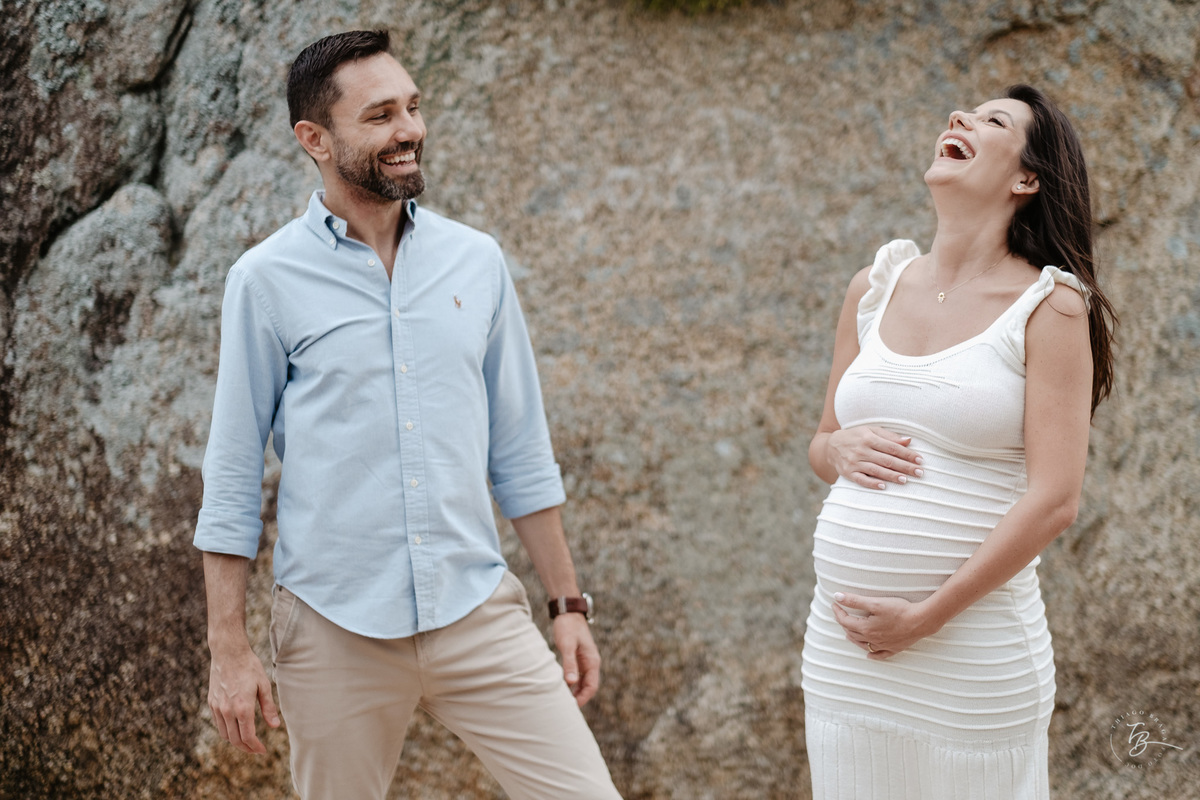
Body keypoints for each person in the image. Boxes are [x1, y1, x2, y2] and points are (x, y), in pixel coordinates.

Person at [193, 29, 622, 800]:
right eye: (382, 115)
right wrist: (229, 648)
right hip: (333, 629)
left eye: (414, 108)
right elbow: (230, 474)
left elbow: (521, 450)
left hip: (477, 613)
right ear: (314, 139)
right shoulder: (264, 281)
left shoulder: (476, 261)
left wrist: (566, 606)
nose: (409, 131)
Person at [800, 85, 1117, 799]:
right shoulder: (872, 288)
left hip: (971, 665)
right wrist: (838, 451)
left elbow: (1055, 500)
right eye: (962, 113)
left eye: (992, 120)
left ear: (1025, 179)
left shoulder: (1050, 307)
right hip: (845, 660)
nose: (959, 119)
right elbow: (824, 443)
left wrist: (923, 619)